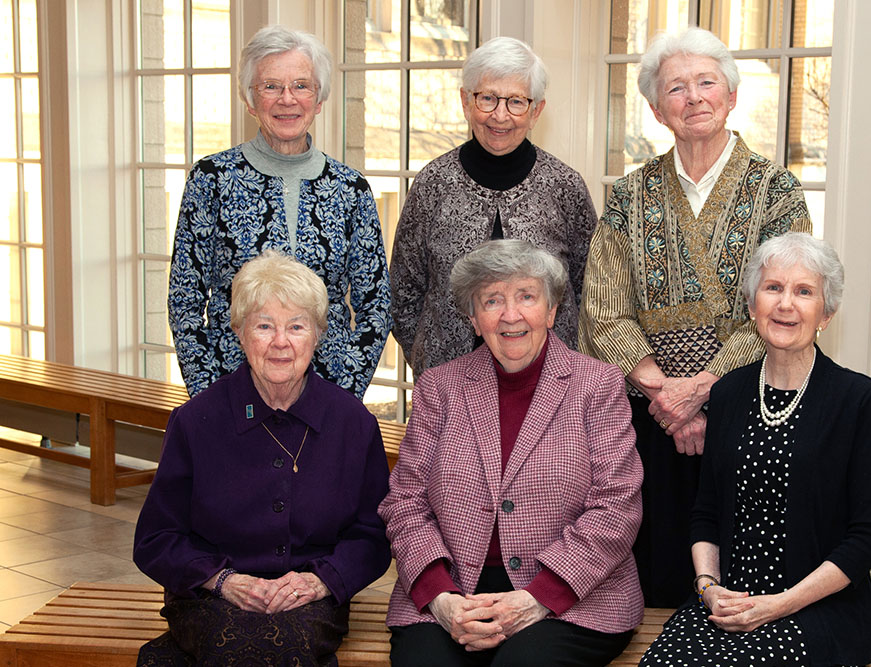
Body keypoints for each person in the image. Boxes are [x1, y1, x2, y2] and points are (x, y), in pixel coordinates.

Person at [579, 27, 812, 607]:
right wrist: (668, 399)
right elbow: (603, 310)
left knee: (741, 583)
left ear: (731, 96)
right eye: (676, 88)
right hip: (648, 424)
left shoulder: (776, 191)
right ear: (659, 111)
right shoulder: (628, 195)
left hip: (747, 413)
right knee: (653, 581)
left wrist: (705, 392)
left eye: (707, 82)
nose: (694, 97)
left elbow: (786, 305)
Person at [379, 239, 644, 666]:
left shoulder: (598, 385)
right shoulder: (439, 388)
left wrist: (538, 598)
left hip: (574, 596)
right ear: (473, 317)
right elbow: (405, 503)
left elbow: (617, 507)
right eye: (492, 300)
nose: (511, 315)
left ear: (552, 310)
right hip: (453, 592)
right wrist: (442, 599)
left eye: (526, 296)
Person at [639, 233, 871, 666]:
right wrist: (708, 587)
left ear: (826, 315)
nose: (785, 304)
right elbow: (707, 513)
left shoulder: (861, 400)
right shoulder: (729, 394)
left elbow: (867, 535)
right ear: (753, 306)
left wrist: (779, 604)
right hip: (728, 603)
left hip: (816, 610)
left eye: (804, 292)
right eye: (773, 288)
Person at [135, 250, 391, 665]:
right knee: (239, 642)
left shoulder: (352, 422)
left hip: (309, 599)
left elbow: (372, 534)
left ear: (317, 334)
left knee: (280, 643)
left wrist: (320, 582)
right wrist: (222, 581)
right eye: (264, 326)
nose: (280, 342)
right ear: (239, 331)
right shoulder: (196, 420)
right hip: (209, 596)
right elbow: (155, 539)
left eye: (296, 326)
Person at [169, 24, 390, 400]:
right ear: (250, 100)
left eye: (301, 86)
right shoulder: (211, 180)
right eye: (271, 86)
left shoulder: (351, 189)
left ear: (319, 100)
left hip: (327, 391)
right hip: (232, 389)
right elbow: (185, 297)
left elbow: (376, 304)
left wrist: (345, 392)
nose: (287, 99)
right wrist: (208, 391)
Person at [390, 36, 598, 379]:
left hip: (550, 385)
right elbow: (403, 290)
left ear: (536, 111)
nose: (500, 115)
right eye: (487, 98)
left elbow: (589, 290)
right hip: (449, 387)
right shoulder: (432, 184)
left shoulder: (565, 186)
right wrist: (431, 366)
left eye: (516, 101)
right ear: (465, 101)